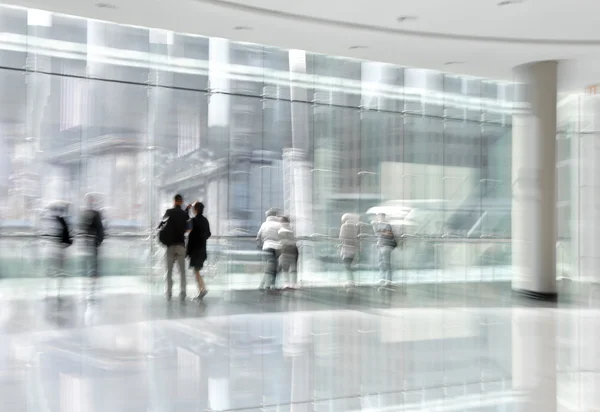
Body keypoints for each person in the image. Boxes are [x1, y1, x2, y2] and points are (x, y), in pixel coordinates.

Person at [158, 194, 191, 301]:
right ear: (181, 202)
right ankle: (183, 292)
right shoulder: (185, 214)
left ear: (174, 201)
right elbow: (189, 229)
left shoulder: (169, 212)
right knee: (182, 271)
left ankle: (169, 292)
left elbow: (161, 225)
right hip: (181, 245)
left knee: (169, 271)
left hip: (170, 246)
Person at [80, 194, 105, 299]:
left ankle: (92, 282)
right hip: (91, 242)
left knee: (92, 262)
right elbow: (100, 228)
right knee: (92, 262)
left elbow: (99, 229)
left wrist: (98, 240)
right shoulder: (91, 213)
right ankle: (92, 281)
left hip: (91, 242)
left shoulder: (87, 213)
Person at [187, 202, 211, 301]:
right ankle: (201, 290)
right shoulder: (205, 221)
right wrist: (202, 239)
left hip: (195, 250)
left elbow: (190, 237)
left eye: (193, 208)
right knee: (197, 271)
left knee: (196, 271)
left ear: (196, 209)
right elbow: (208, 234)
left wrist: (188, 251)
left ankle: (202, 290)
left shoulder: (194, 220)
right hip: (202, 249)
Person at [257, 208, 281, 290]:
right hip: (277, 248)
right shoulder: (279, 224)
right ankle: (271, 285)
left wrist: (261, 244)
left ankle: (265, 285)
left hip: (266, 247)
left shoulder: (264, 224)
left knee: (269, 267)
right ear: (275, 215)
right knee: (275, 267)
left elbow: (258, 237)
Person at [372, 213, 396, 286]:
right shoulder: (378, 225)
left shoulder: (387, 225)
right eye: (378, 216)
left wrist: (380, 231)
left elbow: (388, 234)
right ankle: (382, 279)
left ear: (384, 217)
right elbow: (377, 234)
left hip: (386, 246)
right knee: (381, 264)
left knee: (386, 263)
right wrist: (374, 226)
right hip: (380, 246)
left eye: (381, 216)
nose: (379, 218)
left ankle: (388, 280)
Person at [278, 216, 298, 289]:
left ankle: (287, 283)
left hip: (284, 251)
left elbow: (282, 242)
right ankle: (294, 283)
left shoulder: (280, 231)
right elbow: (294, 241)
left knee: (285, 268)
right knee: (292, 268)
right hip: (292, 251)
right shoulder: (292, 231)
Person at [339, 213, 359, 287]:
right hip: (353, 250)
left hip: (346, 249)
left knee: (347, 266)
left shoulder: (344, 226)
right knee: (348, 266)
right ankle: (351, 281)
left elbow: (341, 237)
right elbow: (355, 239)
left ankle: (350, 281)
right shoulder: (354, 227)